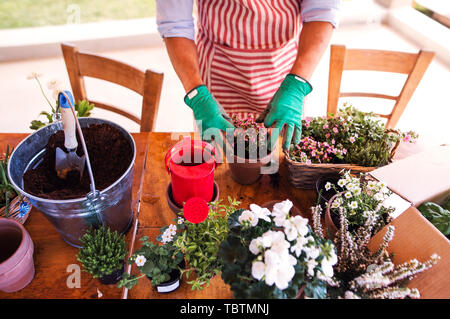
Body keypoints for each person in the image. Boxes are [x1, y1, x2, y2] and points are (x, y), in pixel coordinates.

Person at [156, 0, 340, 150]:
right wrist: (197, 95)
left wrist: (296, 85)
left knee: (278, 160)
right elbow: (175, 24)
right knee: (218, 156)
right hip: (218, 75)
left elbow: (322, 11)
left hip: (284, 73)